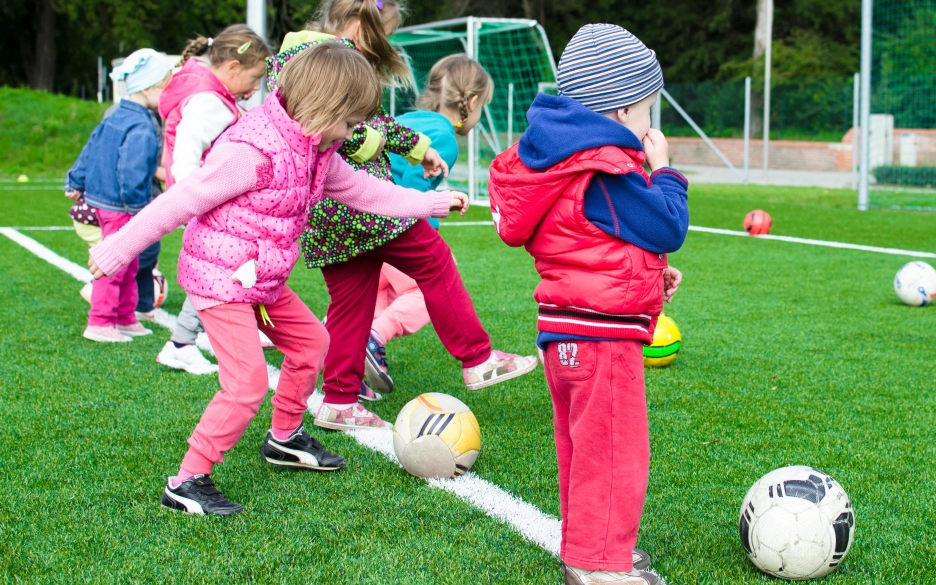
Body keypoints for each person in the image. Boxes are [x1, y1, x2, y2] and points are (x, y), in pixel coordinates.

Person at [87, 43, 469, 516]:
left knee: (313, 344)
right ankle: (186, 481)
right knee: (246, 383)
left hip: (261, 280)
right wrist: (117, 249)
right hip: (220, 280)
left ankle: (284, 438)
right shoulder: (251, 151)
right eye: (350, 124)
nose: (354, 134)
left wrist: (430, 203)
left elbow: (362, 191)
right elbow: (180, 201)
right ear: (323, 108)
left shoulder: (317, 148)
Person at [268, 0, 536, 431]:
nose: (381, 46)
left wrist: (418, 147)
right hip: (361, 204)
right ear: (358, 25)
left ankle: (338, 401)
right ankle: (478, 358)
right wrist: (402, 148)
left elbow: (368, 122)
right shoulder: (331, 59)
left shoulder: (291, 57)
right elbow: (342, 129)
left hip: (324, 212)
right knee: (434, 260)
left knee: (351, 304)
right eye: (382, 35)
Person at [489, 24, 689, 585]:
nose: (652, 124)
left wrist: (651, 276)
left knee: (584, 448)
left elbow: (594, 242)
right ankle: (598, 566)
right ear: (623, 111)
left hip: (567, 331)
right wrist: (666, 170)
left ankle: (591, 547)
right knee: (613, 453)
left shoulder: (562, 162)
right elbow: (667, 223)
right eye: (650, 109)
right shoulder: (604, 169)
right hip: (601, 337)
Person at [361, 54, 497, 396]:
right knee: (424, 289)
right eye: (484, 107)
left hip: (358, 220)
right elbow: (412, 187)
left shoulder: (409, 119)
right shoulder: (444, 138)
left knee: (375, 293)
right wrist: (427, 239)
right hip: (388, 224)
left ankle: (345, 352)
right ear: (472, 101)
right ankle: (373, 338)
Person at [153, 24, 273, 375]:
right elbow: (187, 155)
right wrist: (197, 197)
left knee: (223, 269)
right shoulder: (210, 103)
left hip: (207, 201)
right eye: (254, 79)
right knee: (219, 271)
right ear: (233, 68)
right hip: (208, 204)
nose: (254, 90)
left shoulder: (210, 93)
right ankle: (181, 342)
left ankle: (191, 338)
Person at [65, 49, 173, 343]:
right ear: (150, 88)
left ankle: (125, 317)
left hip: (108, 201)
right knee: (115, 263)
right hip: (122, 206)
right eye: (166, 86)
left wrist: (75, 178)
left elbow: (90, 146)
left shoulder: (116, 113)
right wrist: (139, 208)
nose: (168, 94)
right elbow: (132, 169)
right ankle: (100, 321)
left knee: (131, 262)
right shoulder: (142, 125)